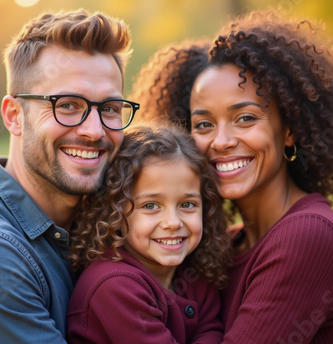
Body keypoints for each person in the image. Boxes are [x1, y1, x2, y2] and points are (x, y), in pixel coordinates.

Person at [133, 10, 333, 343]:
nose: (221, 141)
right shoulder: (223, 246)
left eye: (245, 118)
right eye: (203, 124)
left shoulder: (310, 235)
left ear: (289, 129)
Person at [0, 9, 137, 343]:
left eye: (110, 109)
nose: (95, 131)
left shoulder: (111, 220)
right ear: (14, 116)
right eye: (67, 105)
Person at [67, 124, 232, 344]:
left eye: (187, 204)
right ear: (115, 212)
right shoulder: (113, 286)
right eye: (151, 205)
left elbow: (211, 330)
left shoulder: (196, 273)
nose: (173, 222)